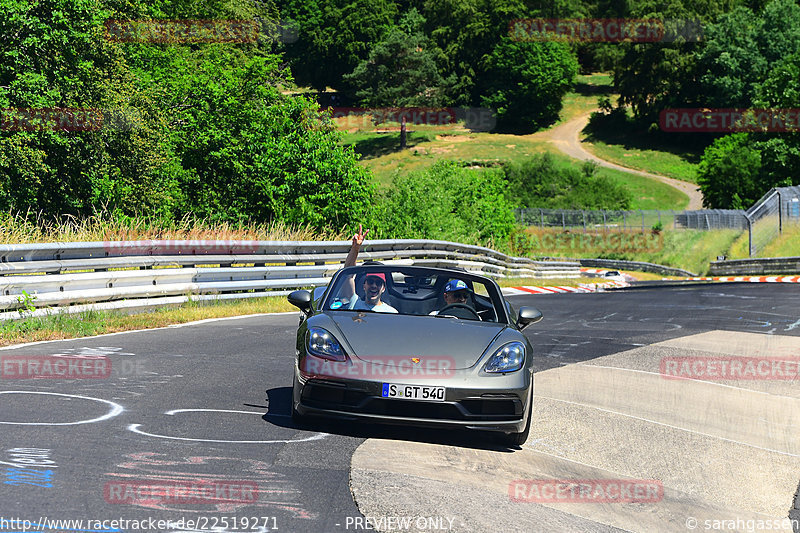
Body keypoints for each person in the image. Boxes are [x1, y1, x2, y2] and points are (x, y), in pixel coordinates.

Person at [337, 225, 398, 313]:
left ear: (383, 288)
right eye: (370, 282)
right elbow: (348, 274)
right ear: (364, 286)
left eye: (378, 283)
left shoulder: (392, 313)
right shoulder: (354, 303)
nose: (374, 286)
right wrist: (355, 248)